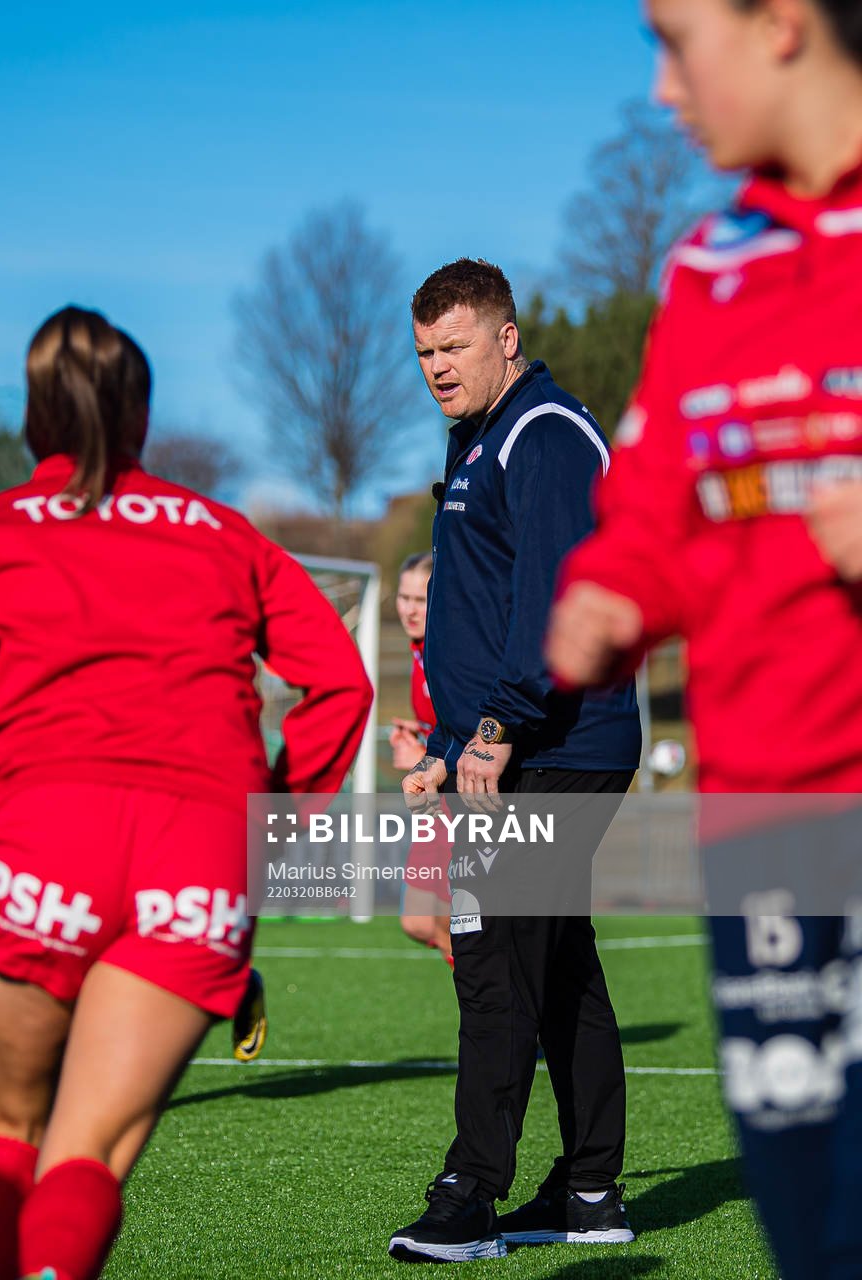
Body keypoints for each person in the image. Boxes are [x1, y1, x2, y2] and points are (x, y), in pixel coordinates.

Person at [0, 306, 373, 1280]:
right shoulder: (226, 533)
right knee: (85, 1154)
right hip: (202, 848)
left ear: (32, 417)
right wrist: (270, 822)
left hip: (51, 837)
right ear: (139, 414)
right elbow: (338, 680)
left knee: (7, 1138)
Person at [545, 4, 862, 1277]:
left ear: (780, 22)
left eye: (677, 42)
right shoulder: (707, 262)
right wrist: (613, 589)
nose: (666, 91)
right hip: (769, 816)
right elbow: (659, 497)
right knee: (810, 1206)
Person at [388, 259, 642, 1264]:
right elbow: (478, 608)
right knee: (561, 966)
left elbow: (556, 593)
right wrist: (450, 751)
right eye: (423, 354)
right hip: (508, 745)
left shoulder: (544, 434)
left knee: (489, 955)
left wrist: (493, 727)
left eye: (453, 347)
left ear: (505, 336)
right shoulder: (474, 439)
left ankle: (469, 1194)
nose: (437, 369)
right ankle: (588, 1191)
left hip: (557, 742)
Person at [392, 551, 452, 962]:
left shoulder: (447, 650)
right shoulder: (418, 648)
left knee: (457, 924)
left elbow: (471, 729)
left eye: (421, 599)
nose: (411, 609)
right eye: (404, 597)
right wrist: (420, 738)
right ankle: (501, 1016)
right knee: (417, 920)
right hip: (433, 800)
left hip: (458, 798)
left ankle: (505, 1019)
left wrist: (421, 755)